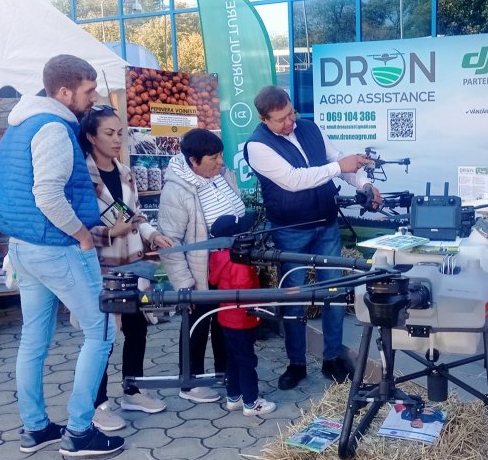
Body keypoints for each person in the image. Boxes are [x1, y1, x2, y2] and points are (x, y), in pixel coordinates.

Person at [0, 54, 122, 458]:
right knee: (101, 333)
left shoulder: (20, 126)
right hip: (57, 247)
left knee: (34, 339)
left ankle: (36, 428)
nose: (94, 96)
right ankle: (80, 431)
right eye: (88, 90)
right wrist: (83, 235)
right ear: (63, 92)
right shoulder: (53, 128)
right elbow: (47, 194)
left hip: (24, 248)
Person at [244, 86, 381, 390]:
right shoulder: (257, 146)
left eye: (291, 113)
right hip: (291, 231)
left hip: (326, 224)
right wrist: (337, 167)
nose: (290, 122)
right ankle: (297, 363)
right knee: (294, 297)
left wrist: (364, 183)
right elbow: (294, 180)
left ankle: (332, 358)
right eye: (281, 119)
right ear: (264, 119)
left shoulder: (310, 128)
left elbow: (342, 162)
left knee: (333, 291)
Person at [78, 106, 173, 432]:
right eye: (109, 133)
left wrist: (152, 234)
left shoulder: (125, 172)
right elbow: (72, 229)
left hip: (132, 265)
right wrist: (109, 233)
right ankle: (96, 404)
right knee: (102, 335)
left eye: (120, 133)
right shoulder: (81, 178)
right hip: (100, 267)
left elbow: (136, 216)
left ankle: (133, 389)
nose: (117, 139)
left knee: (136, 328)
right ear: (91, 137)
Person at [158, 129, 245, 404]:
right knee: (196, 323)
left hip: (227, 265)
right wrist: (185, 284)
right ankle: (190, 381)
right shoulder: (177, 190)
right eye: (213, 157)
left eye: (221, 155)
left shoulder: (222, 175)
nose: (220, 161)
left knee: (224, 321)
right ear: (194, 161)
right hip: (199, 271)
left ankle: (224, 372)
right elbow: (169, 242)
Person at [207, 213, 276, 417]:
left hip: (226, 318)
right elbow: (244, 287)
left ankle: (234, 396)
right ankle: (251, 402)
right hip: (242, 319)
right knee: (247, 360)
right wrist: (252, 267)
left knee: (232, 358)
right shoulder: (238, 262)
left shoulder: (217, 256)